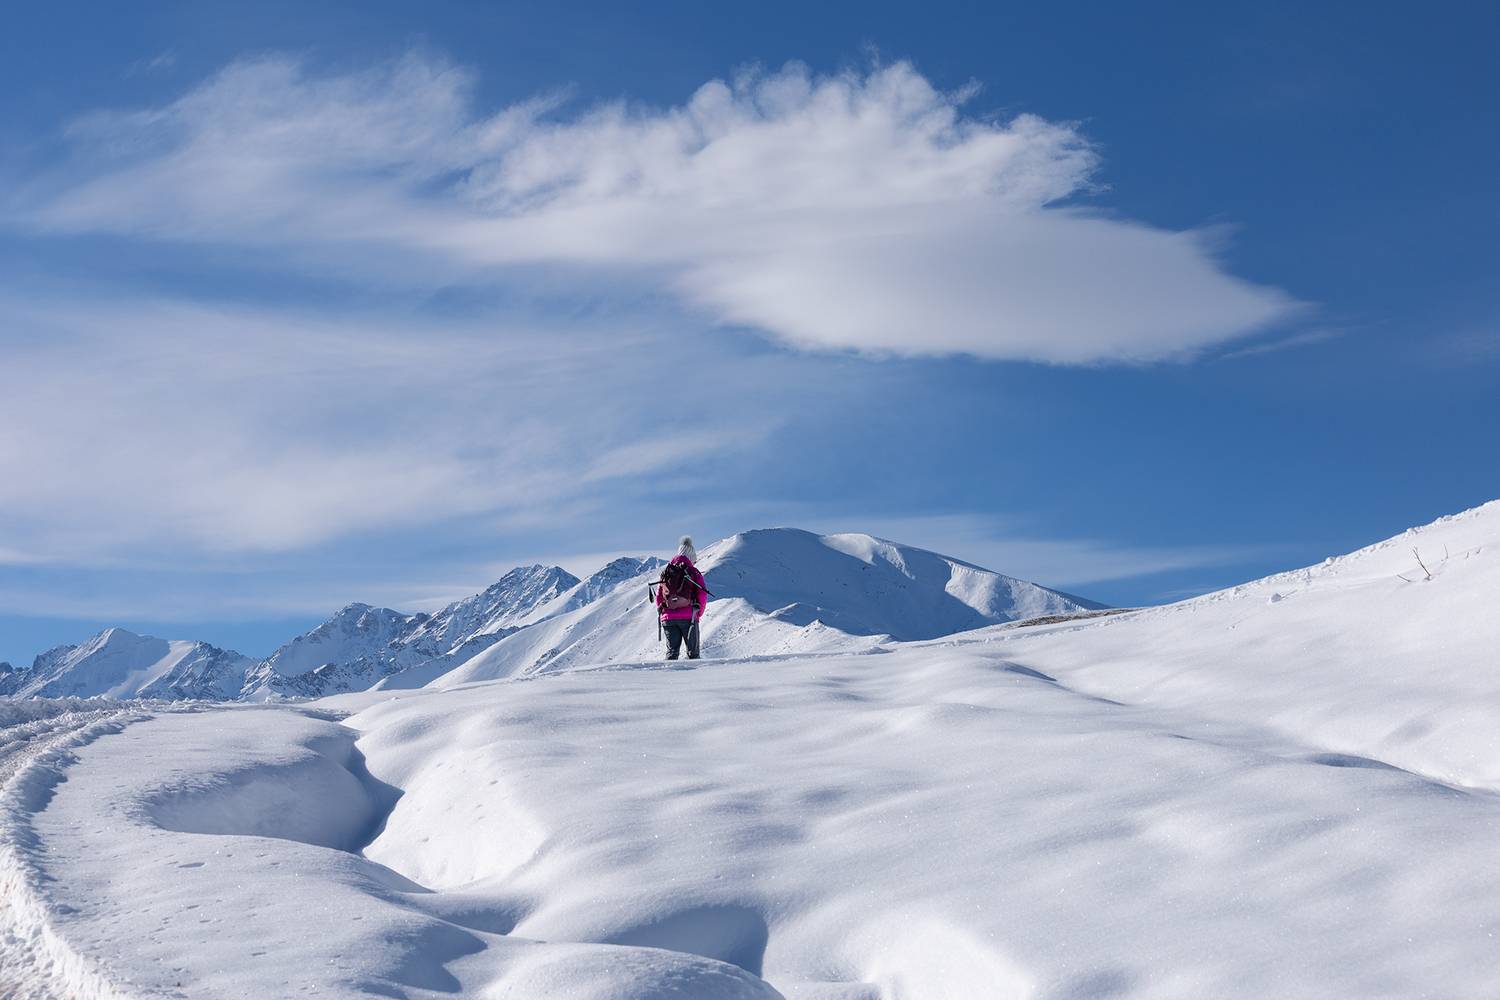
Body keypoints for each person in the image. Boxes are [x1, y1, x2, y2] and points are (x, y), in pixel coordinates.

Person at [656, 535, 708, 660]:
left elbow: (659, 595)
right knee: (693, 654)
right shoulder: (693, 572)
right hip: (689, 617)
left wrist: (663, 612)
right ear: (691, 558)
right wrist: (698, 613)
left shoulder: (666, 572)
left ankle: (668, 672)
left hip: (668, 618)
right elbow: (702, 594)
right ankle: (695, 673)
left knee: (672, 653)